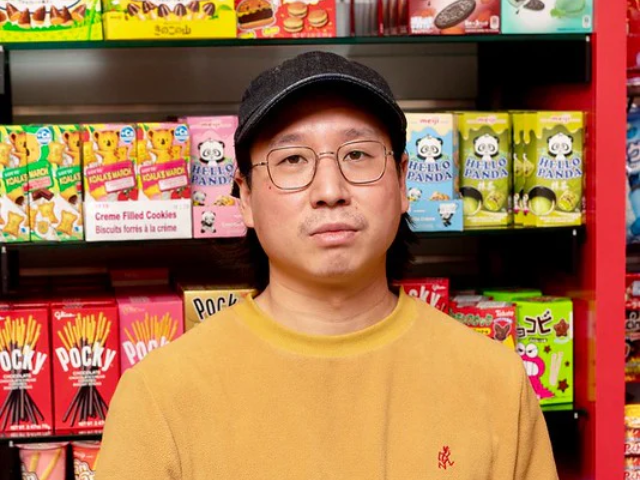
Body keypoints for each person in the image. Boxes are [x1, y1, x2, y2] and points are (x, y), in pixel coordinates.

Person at [96, 51, 558, 480]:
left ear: (401, 182)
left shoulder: (495, 382)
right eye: (293, 160)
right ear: (246, 198)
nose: (330, 189)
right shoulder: (159, 398)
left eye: (357, 154)